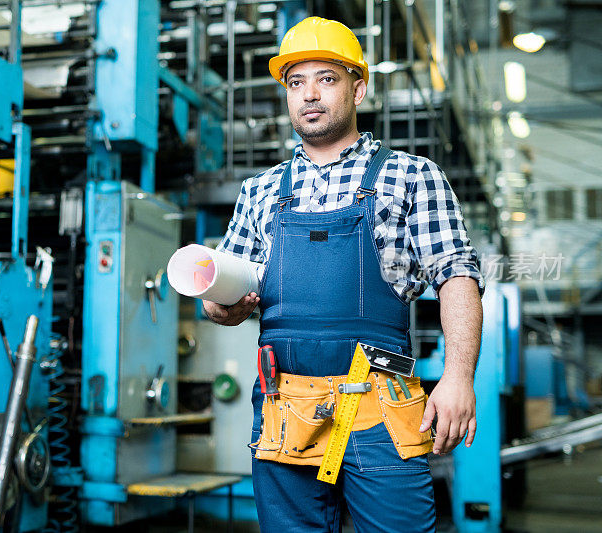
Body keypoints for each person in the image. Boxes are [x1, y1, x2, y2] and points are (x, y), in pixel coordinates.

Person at [203, 16, 484, 532]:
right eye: (296, 82)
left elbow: (457, 275)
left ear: (358, 88)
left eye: (326, 79)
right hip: (284, 407)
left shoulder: (411, 175)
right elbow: (224, 296)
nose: (309, 95)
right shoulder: (260, 190)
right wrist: (220, 305)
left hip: (380, 410)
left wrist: (459, 376)